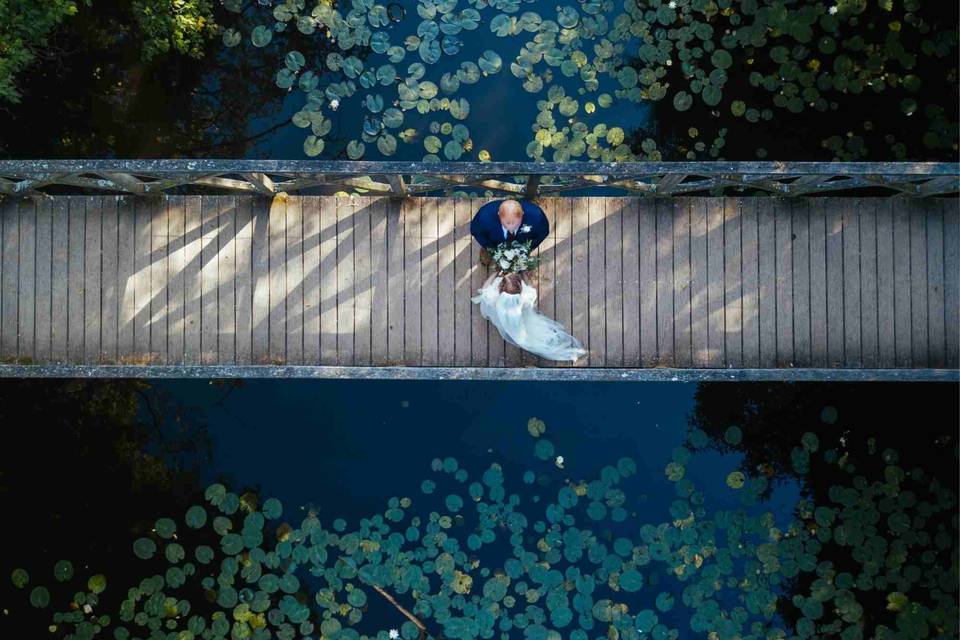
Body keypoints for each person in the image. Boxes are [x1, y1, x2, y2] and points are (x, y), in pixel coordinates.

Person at [471, 270, 587, 363]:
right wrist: (522, 273)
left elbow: (484, 288)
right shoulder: (523, 297)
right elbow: (531, 290)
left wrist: (496, 272)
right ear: (519, 287)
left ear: (502, 286)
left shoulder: (494, 296)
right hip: (516, 319)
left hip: (503, 316)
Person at [470, 199, 549, 268]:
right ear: (499, 215)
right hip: (494, 241)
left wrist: (528, 248)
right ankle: (487, 252)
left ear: (522, 214)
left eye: (515, 222)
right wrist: (490, 247)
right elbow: (476, 232)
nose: (512, 227)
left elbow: (543, 233)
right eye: (508, 223)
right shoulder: (483, 218)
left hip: (522, 241)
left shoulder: (537, 217)